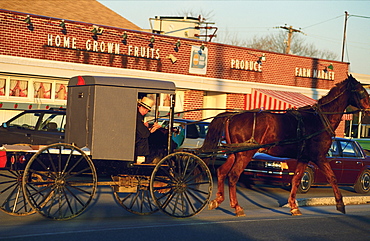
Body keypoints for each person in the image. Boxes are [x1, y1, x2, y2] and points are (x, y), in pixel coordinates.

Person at [135, 97, 161, 164]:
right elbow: (144, 134)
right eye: (144, 109)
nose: (145, 111)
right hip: (138, 147)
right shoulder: (137, 117)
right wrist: (151, 130)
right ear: (139, 106)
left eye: (147, 110)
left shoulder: (139, 116)